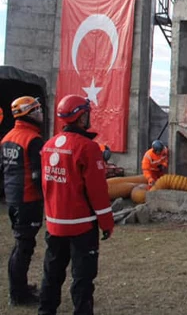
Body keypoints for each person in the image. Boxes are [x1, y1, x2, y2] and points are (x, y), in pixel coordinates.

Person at [38, 95, 114, 315]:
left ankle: (46, 310)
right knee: (82, 277)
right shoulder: (88, 148)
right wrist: (106, 223)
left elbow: (46, 184)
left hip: (54, 223)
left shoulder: (49, 145)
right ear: (81, 117)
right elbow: (98, 192)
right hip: (81, 226)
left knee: (52, 273)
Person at [1, 96, 44, 306]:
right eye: (37, 109)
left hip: (13, 198)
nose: (41, 113)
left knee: (22, 244)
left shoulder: (8, 137)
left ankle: (20, 287)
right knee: (24, 246)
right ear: (29, 113)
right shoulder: (32, 140)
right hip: (28, 199)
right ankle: (18, 294)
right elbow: (38, 175)